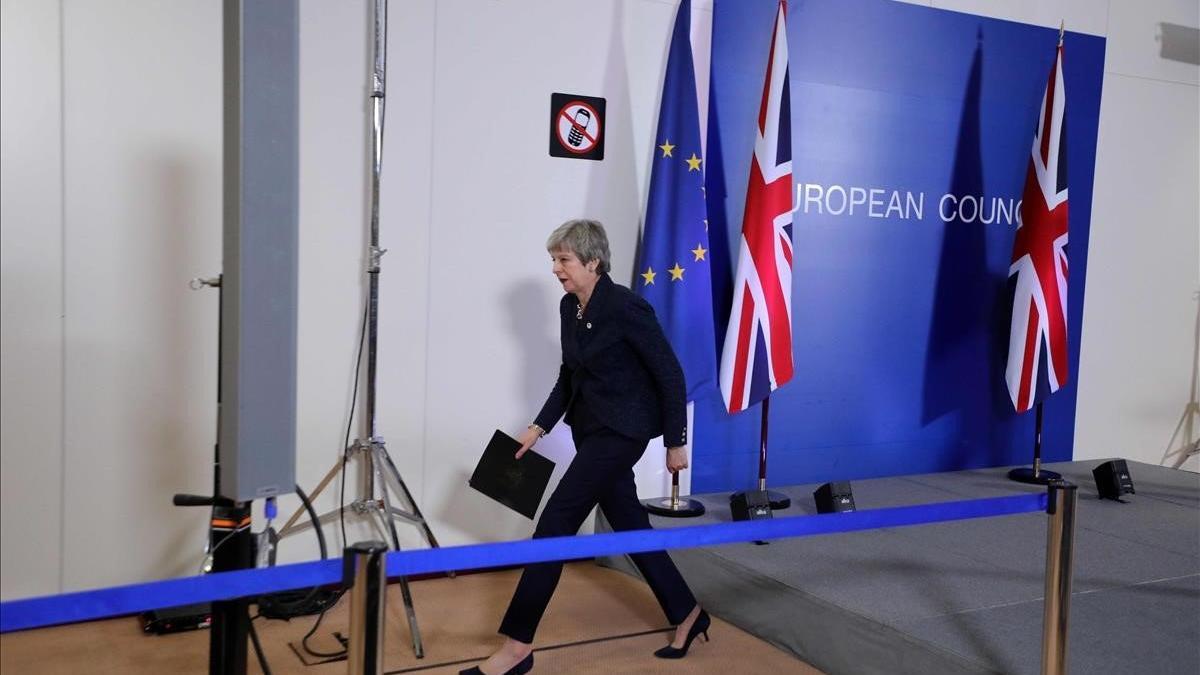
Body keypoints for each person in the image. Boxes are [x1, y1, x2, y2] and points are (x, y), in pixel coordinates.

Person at [461, 219, 710, 675]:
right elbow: (569, 376)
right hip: (591, 431)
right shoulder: (568, 307)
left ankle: (517, 647)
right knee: (630, 525)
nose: (556, 269)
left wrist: (676, 442)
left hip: (623, 433)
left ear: (593, 261)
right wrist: (536, 429)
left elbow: (670, 374)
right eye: (553, 260)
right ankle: (688, 613)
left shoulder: (627, 308)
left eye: (564, 260)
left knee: (555, 523)